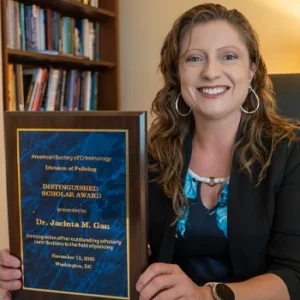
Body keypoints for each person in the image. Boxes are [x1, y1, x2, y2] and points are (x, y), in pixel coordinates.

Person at [1, 3, 300, 300]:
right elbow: (100, 244)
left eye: (229, 56)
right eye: (194, 58)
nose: (210, 72)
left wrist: (205, 296)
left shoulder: (290, 152)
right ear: (177, 73)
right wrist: (33, 263)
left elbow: (294, 275)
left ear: (251, 70)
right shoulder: (148, 154)